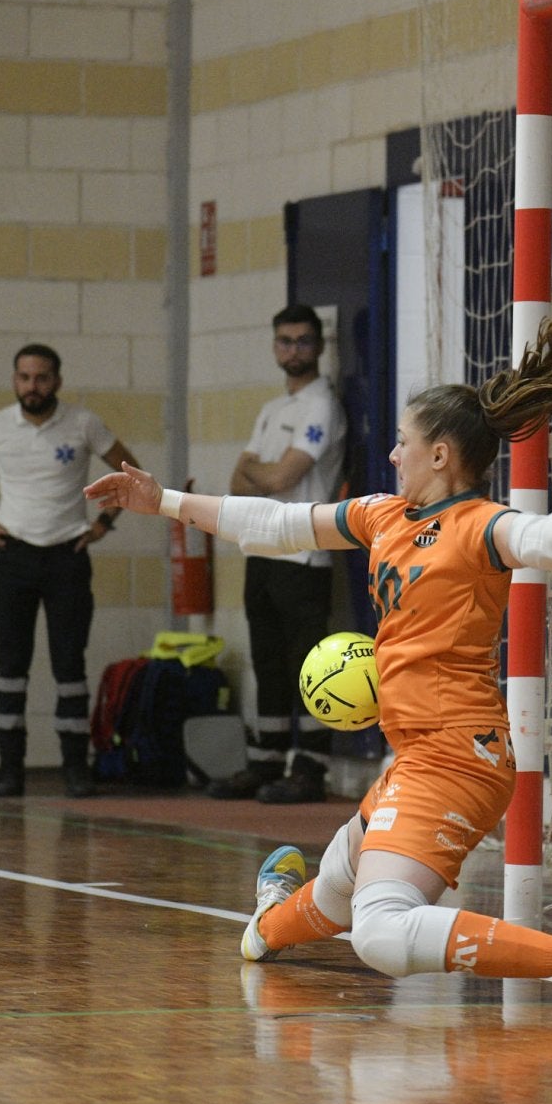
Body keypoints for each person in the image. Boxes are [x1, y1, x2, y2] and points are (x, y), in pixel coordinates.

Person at [86, 317, 552, 1008]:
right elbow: (276, 525)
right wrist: (159, 501)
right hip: (414, 754)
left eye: (403, 445)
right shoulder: (384, 516)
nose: (393, 457)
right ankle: (270, 914)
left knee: (379, 932)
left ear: (440, 456)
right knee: (330, 893)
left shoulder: (480, 526)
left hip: (459, 755)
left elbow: (544, 538)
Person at [0, 342, 138, 799]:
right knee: (11, 665)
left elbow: (131, 474)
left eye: (42, 377)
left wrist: (103, 525)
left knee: (69, 664)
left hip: (67, 555)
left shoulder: (83, 423)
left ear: (58, 381)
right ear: (15, 380)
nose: (33, 386)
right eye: (25, 377)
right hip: (13, 555)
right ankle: (10, 769)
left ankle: (75, 767)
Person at [207, 303, 347, 805]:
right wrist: (258, 474)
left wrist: (257, 473)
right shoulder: (272, 410)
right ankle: (265, 758)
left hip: (304, 550)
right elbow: (236, 480)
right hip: (261, 547)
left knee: (307, 662)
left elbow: (280, 478)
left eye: (303, 341)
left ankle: (311, 764)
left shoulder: (321, 406)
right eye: (285, 341)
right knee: (266, 659)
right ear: (274, 347)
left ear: (318, 346)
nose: (293, 350)